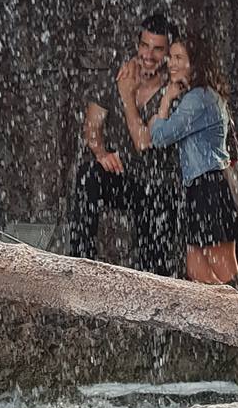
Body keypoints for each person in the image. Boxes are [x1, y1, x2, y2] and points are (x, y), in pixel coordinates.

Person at [118, 30, 238, 284]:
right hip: (199, 188)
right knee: (196, 269)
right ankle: (222, 309)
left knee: (225, 270)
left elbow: (160, 137)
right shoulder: (198, 95)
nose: (171, 63)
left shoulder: (198, 98)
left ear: (194, 63)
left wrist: (164, 102)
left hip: (210, 188)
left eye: (179, 58)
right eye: (171, 57)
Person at [69, 14, 181, 276]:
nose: (148, 55)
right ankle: (79, 266)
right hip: (124, 176)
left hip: (160, 182)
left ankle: (152, 280)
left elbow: (144, 143)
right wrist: (101, 153)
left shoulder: (174, 90)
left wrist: (126, 96)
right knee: (88, 175)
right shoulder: (119, 75)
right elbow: (92, 126)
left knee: (154, 256)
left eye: (157, 49)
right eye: (144, 45)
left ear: (169, 53)